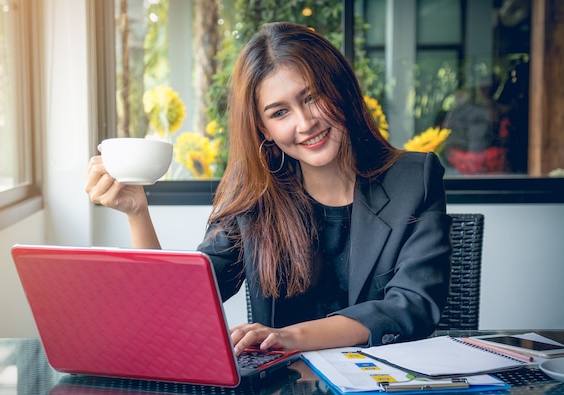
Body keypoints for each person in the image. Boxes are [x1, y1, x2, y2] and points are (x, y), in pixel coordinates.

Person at [86, 22, 451, 355]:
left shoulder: (414, 178)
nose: (306, 123)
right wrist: (137, 212)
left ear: (341, 91)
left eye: (312, 97)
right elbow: (175, 304)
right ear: (263, 128)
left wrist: (291, 336)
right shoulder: (254, 195)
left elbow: (412, 306)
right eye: (280, 113)